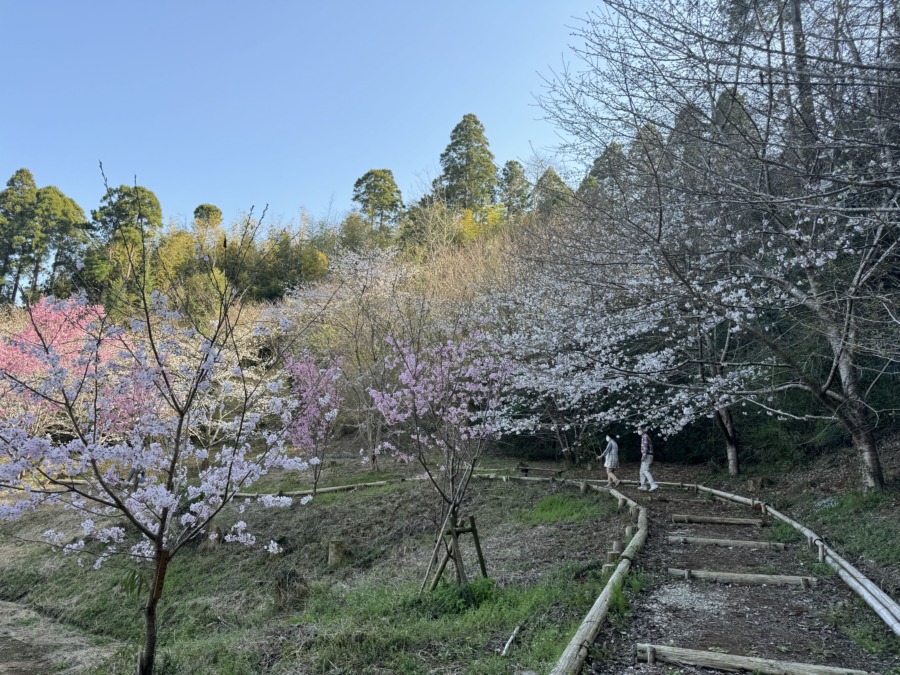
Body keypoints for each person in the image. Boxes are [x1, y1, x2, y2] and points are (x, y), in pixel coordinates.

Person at [637, 427, 658, 491]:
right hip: (648, 455)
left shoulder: (645, 437)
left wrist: (643, 456)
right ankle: (643, 486)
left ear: (643, 430)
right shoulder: (644, 437)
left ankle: (653, 484)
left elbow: (645, 447)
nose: (638, 431)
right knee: (642, 471)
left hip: (647, 455)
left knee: (645, 470)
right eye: (638, 430)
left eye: (640, 429)